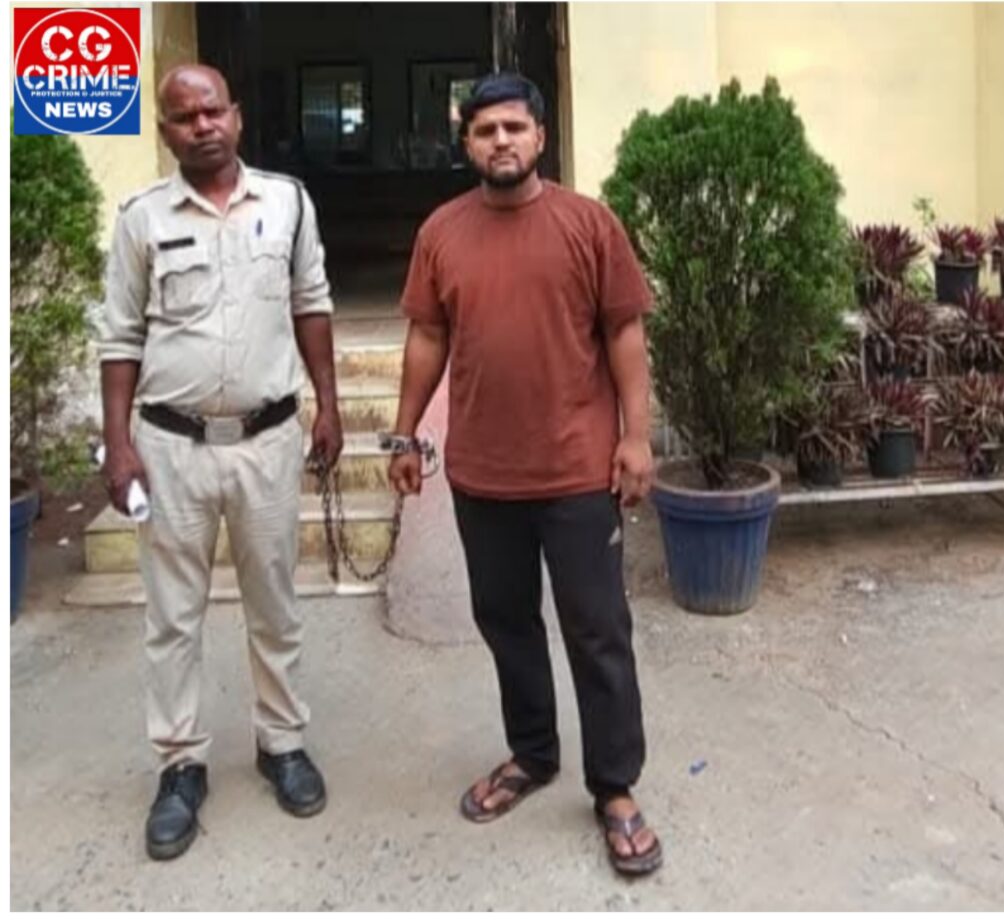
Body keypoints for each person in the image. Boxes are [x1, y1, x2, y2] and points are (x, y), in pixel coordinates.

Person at [389, 73, 662, 876]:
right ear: (466, 144)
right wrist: (405, 433)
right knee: (506, 622)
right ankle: (533, 753)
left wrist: (636, 438)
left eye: (514, 127)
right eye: (485, 130)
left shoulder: (588, 224)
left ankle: (614, 786)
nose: (501, 141)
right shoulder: (442, 232)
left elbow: (624, 332)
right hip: (483, 475)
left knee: (598, 630)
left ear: (540, 137)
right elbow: (427, 337)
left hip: (578, 471)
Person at [99, 64, 342, 860]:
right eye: (183, 116)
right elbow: (119, 337)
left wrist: (329, 404)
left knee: (275, 604)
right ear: (165, 131)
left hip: (267, 442)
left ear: (236, 116)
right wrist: (119, 444)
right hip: (171, 448)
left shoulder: (288, 202)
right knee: (173, 616)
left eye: (212, 111)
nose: (201, 125)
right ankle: (180, 765)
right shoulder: (140, 218)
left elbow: (311, 303)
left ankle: (282, 743)